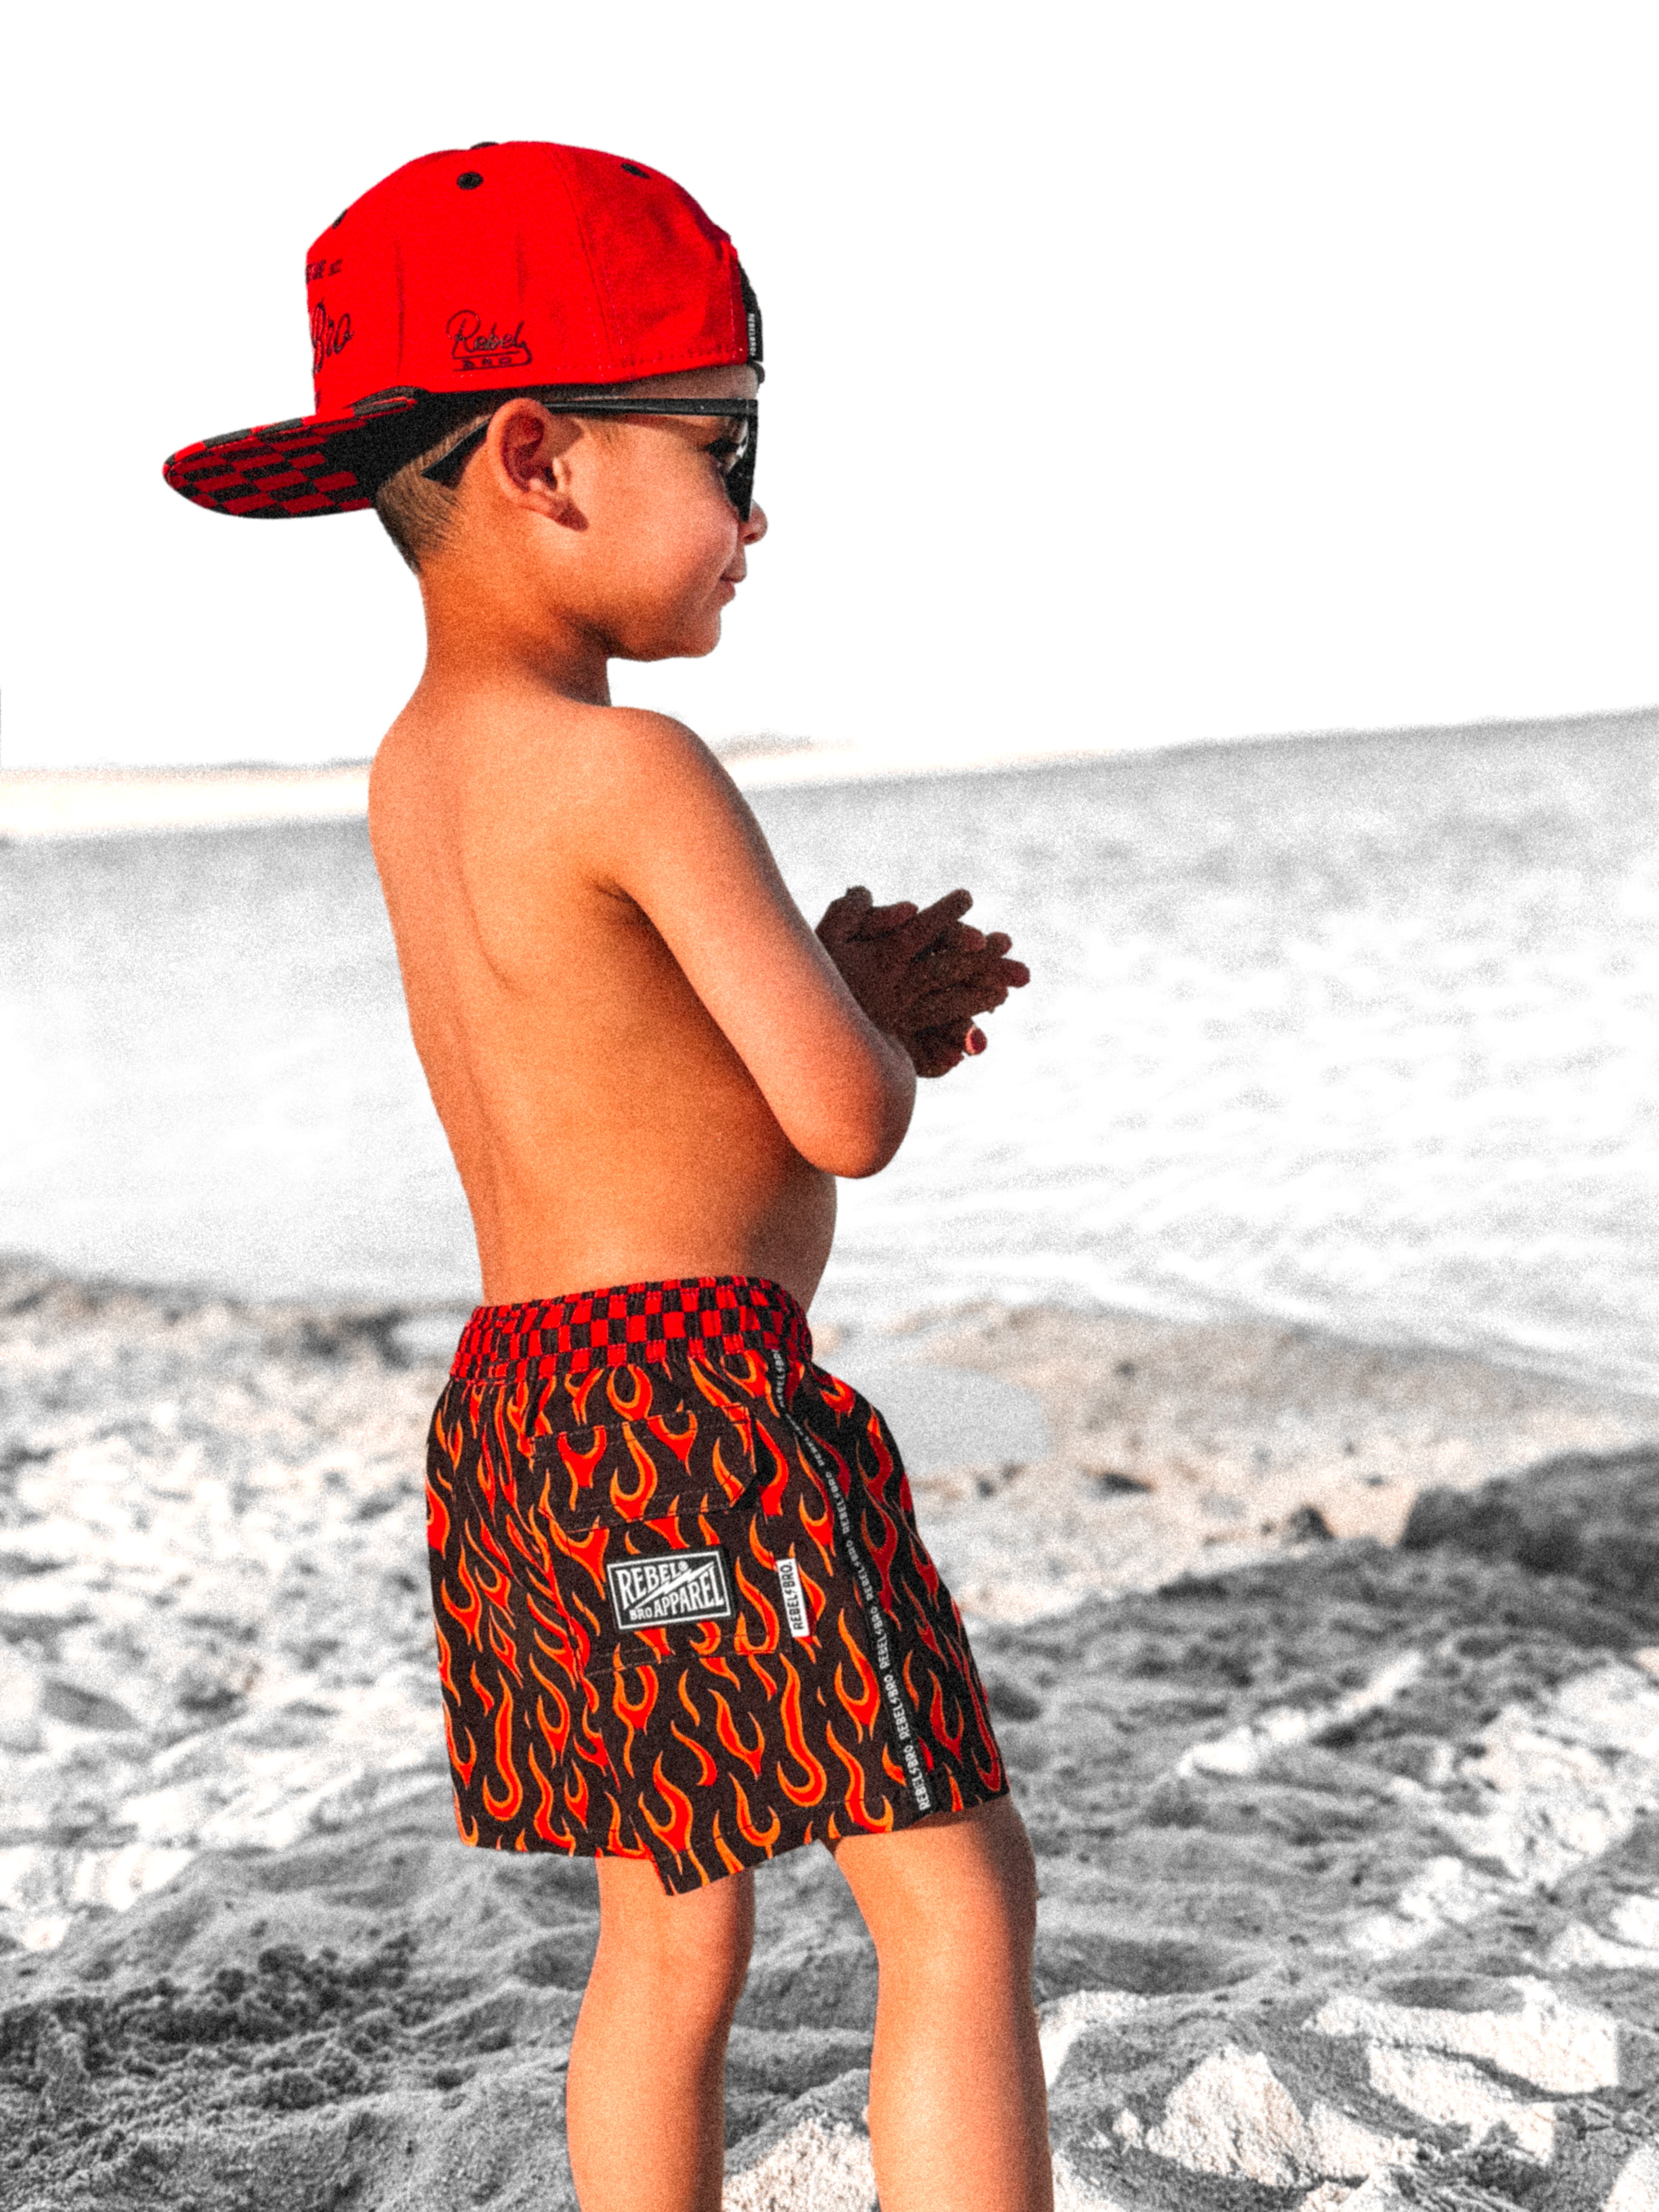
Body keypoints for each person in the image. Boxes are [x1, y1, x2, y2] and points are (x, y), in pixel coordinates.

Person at [164, 139, 1047, 2212]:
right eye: (726, 448)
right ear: (542, 455)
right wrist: (872, 1014)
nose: (755, 513)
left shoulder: (417, 773)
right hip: (696, 1425)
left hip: (526, 1428)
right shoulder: (635, 768)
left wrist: (817, 999)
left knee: (667, 1931)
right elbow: (835, 1120)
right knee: (952, 1901)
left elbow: (613, 1080)